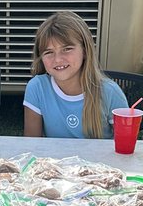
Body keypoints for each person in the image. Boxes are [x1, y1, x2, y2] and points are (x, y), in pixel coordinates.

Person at [22, 10, 126, 139]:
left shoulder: (110, 92)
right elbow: (31, 143)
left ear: (85, 50)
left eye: (67, 49)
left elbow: (124, 149)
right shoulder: (37, 87)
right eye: (49, 52)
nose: (58, 59)